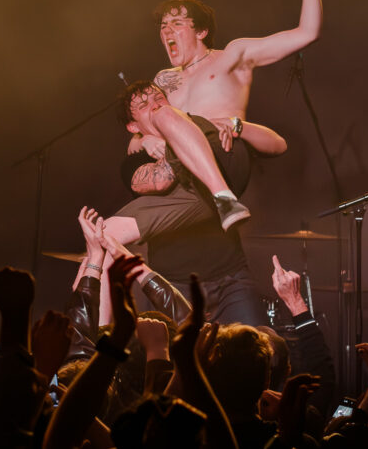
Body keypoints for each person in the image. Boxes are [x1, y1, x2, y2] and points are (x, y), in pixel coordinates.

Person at [132, 0, 323, 228]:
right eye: (163, 26)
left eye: (176, 23)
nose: (166, 30)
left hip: (223, 158)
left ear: (201, 31)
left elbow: (307, 32)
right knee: (111, 231)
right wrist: (144, 141)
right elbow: (137, 132)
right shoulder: (163, 79)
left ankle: (222, 197)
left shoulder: (232, 57)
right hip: (178, 172)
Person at [92, 81, 285, 326]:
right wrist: (153, 142)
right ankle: (94, 341)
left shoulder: (198, 128)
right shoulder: (135, 160)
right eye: (143, 105)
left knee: (257, 346)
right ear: (133, 126)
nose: (155, 105)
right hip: (175, 286)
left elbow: (279, 145)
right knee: (104, 233)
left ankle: (224, 198)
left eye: (159, 98)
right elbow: (159, 182)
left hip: (231, 279)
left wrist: (235, 125)